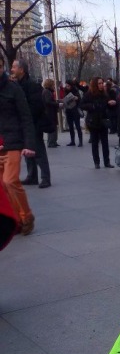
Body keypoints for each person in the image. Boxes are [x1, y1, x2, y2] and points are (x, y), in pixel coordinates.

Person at [0, 54, 36, 234]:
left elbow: (25, 117)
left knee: (10, 181)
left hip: (12, 142)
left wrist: (29, 143)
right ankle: (15, 220)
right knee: (2, 185)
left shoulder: (13, 89)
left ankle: (26, 215)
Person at [11, 58, 52, 188]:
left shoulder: (32, 85)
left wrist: (25, 117)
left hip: (34, 124)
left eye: (14, 67)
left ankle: (45, 177)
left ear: (21, 70)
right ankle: (32, 176)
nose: (12, 70)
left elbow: (37, 106)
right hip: (23, 124)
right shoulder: (16, 85)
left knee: (39, 151)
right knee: (27, 150)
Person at [80, 77, 116, 168]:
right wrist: (91, 106)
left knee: (105, 142)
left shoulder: (104, 94)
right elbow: (82, 105)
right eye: (99, 83)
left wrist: (110, 104)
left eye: (102, 83)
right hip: (93, 121)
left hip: (103, 120)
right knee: (95, 143)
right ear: (95, 84)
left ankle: (107, 162)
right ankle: (97, 162)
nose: (101, 85)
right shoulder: (89, 94)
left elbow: (107, 105)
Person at [63, 80, 83, 147]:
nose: (67, 87)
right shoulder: (65, 91)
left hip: (75, 110)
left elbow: (79, 98)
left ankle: (80, 141)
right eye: (66, 85)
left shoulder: (75, 91)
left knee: (77, 126)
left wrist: (76, 98)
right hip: (68, 111)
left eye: (68, 86)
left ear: (71, 86)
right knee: (71, 126)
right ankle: (72, 141)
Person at [42, 79, 61, 147]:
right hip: (49, 113)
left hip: (50, 112)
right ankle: (51, 142)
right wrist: (57, 104)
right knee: (52, 127)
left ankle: (53, 141)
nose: (54, 86)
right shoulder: (47, 92)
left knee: (54, 127)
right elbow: (48, 101)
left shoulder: (47, 91)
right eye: (52, 84)